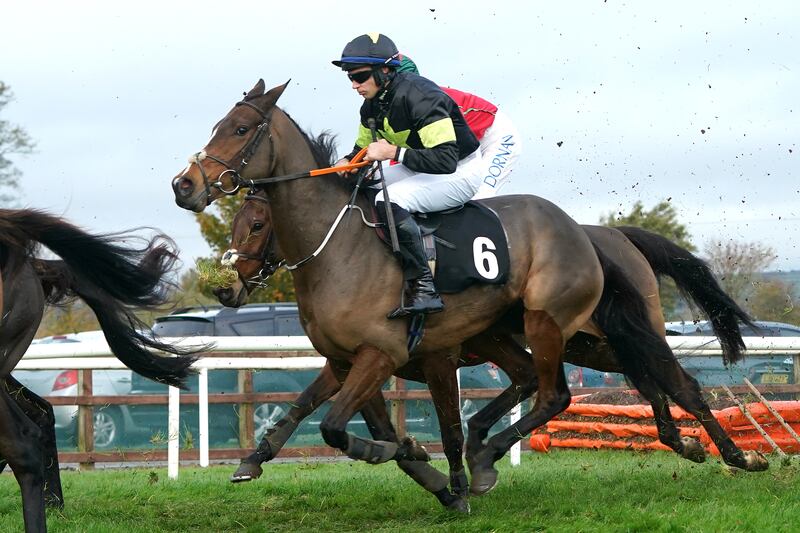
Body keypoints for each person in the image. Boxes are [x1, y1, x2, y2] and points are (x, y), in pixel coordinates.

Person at [332, 33, 484, 318]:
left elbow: (445, 159)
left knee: (391, 201)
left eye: (360, 76)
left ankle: (424, 286)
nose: (354, 85)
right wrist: (346, 164)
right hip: (422, 165)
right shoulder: (371, 105)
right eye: (350, 77)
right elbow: (361, 151)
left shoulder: (422, 97)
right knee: (361, 186)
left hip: (460, 170)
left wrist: (393, 153)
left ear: (385, 70)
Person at [395, 55, 522, 199]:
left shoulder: (429, 103)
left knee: (477, 196)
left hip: (496, 137)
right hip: (460, 147)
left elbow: (444, 155)